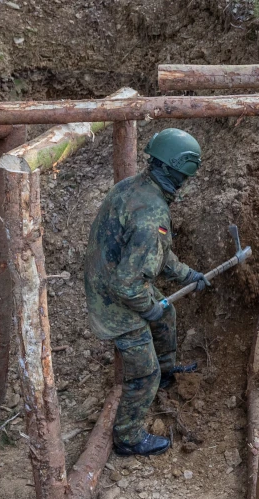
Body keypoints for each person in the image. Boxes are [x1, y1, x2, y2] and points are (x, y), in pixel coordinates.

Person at [84, 128, 208, 457]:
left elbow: (156, 254)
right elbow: (127, 283)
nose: (183, 183)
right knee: (144, 373)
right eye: (183, 176)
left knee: (167, 312)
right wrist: (146, 307)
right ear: (173, 169)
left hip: (110, 277)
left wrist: (186, 274)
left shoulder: (135, 188)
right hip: (114, 301)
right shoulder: (151, 216)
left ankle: (167, 372)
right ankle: (128, 436)